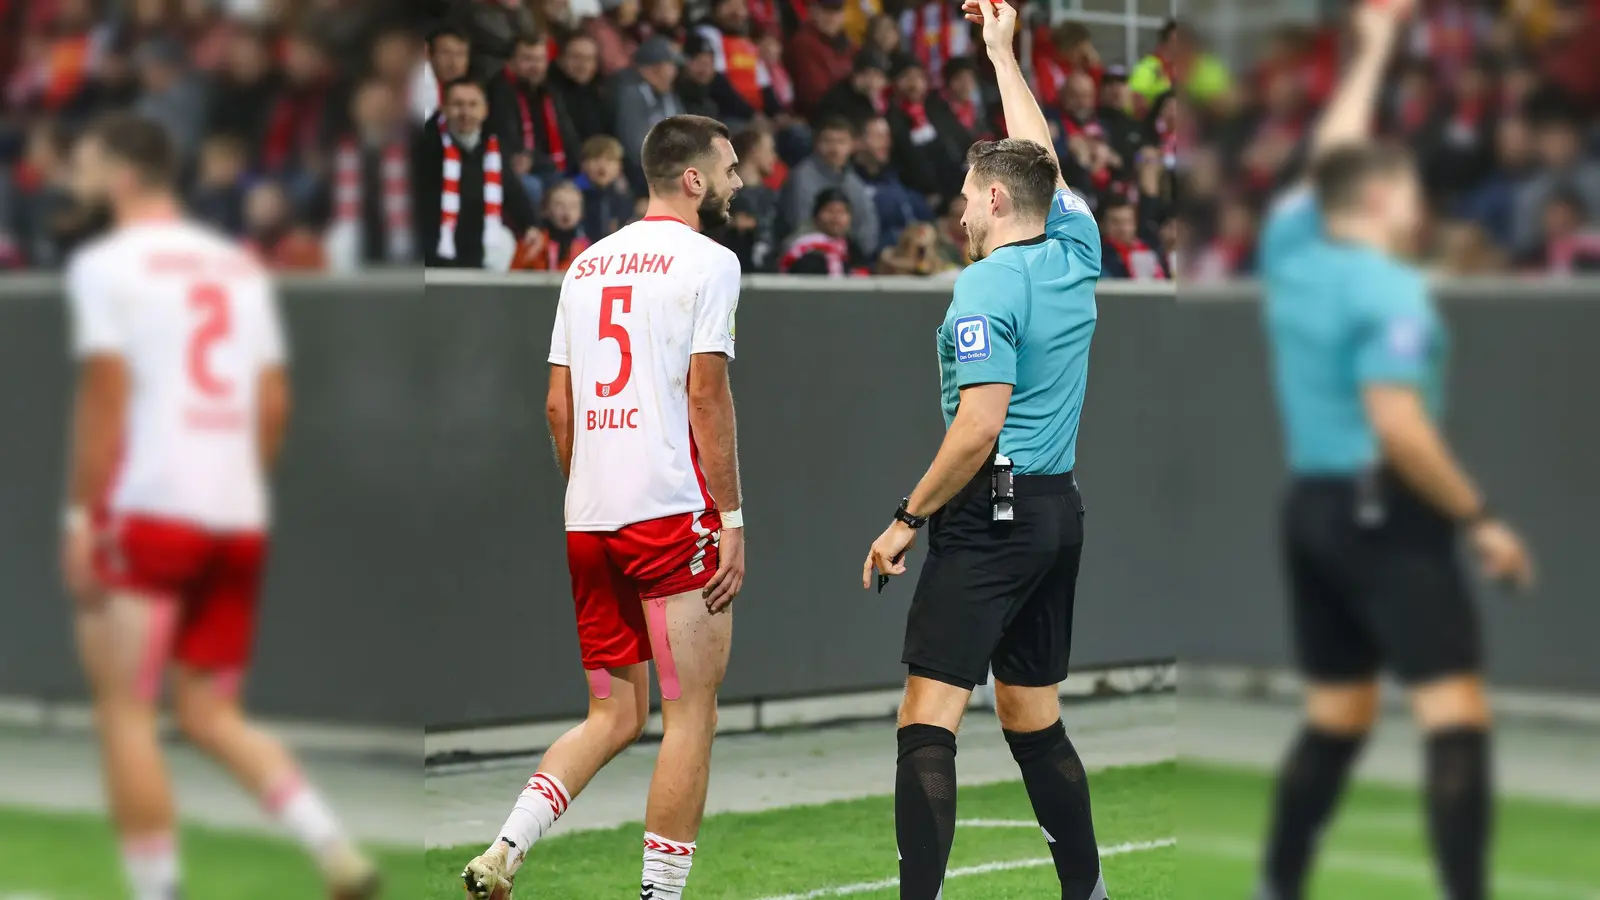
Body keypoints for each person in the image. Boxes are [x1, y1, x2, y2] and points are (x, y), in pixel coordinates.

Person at [58, 112, 378, 900]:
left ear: (125, 174)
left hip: (151, 510)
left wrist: (80, 518)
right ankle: (335, 849)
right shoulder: (235, 265)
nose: (79, 176)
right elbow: (272, 401)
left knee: (126, 714)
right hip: (234, 515)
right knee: (205, 711)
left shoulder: (109, 265)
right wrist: (235, 488)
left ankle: (157, 891)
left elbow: (105, 396)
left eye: (90, 163)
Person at [1255, 2, 1535, 900]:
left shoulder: (1292, 253)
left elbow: (1331, 154)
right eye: (1408, 186)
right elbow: (1402, 427)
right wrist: (1480, 518)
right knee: (1457, 714)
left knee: (1339, 716)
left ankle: (1279, 884)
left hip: (1311, 513)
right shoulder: (1391, 294)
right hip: (1385, 507)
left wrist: (1372, 51)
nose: (1420, 199)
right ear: (1380, 201)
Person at [461, 114, 747, 900]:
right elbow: (706, 395)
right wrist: (731, 519)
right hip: (671, 518)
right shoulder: (711, 263)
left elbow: (558, 408)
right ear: (692, 179)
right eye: (728, 168)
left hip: (590, 520)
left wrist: (588, 491)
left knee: (613, 715)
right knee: (691, 716)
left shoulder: (584, 265)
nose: (738, 182)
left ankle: (503, 850)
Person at [861, 2, 1106, 898]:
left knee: (927, 720)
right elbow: (1036, 153)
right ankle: (1088, 892)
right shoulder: (1077, 249)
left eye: (968, 195)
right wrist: (1004, 52)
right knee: (1032, 720)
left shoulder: (985, 285)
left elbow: (977, 425)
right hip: (1055, 514)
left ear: (994, 201)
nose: (959, 208)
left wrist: (904, 519)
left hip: (991, 514)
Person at [413, 78, 538, 271]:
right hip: (433, 249)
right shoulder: (424, 145)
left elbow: (513, 192)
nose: (465, 113)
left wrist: (530, 225)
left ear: (485, 110)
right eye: (458, 104)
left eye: (473, 105)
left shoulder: (493, 150)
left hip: (478, 246)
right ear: (444, 109)